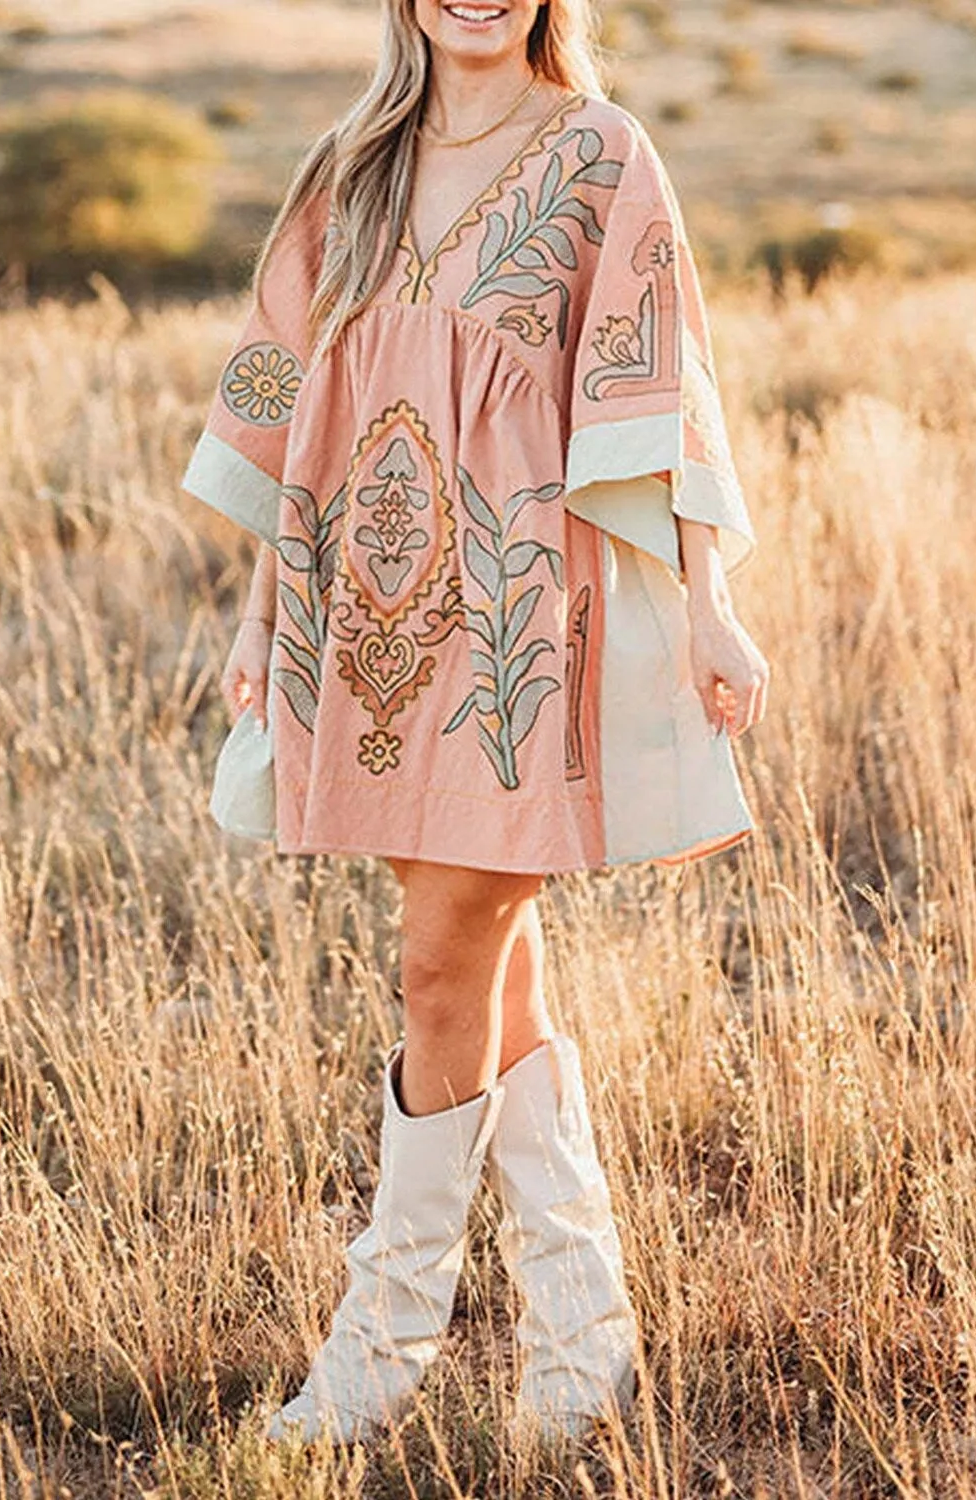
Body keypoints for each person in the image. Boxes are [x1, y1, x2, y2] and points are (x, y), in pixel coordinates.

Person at [180, 0, 769, 1451]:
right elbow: (291, 403)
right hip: (364, 626)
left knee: (439, 968)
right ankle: (585, 1334)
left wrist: (709, 603)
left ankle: (382, 1341)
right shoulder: (351, 167)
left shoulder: (598, 158)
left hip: (514, 620)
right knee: (483, 973)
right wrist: (261, 616)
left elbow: (661, 387)